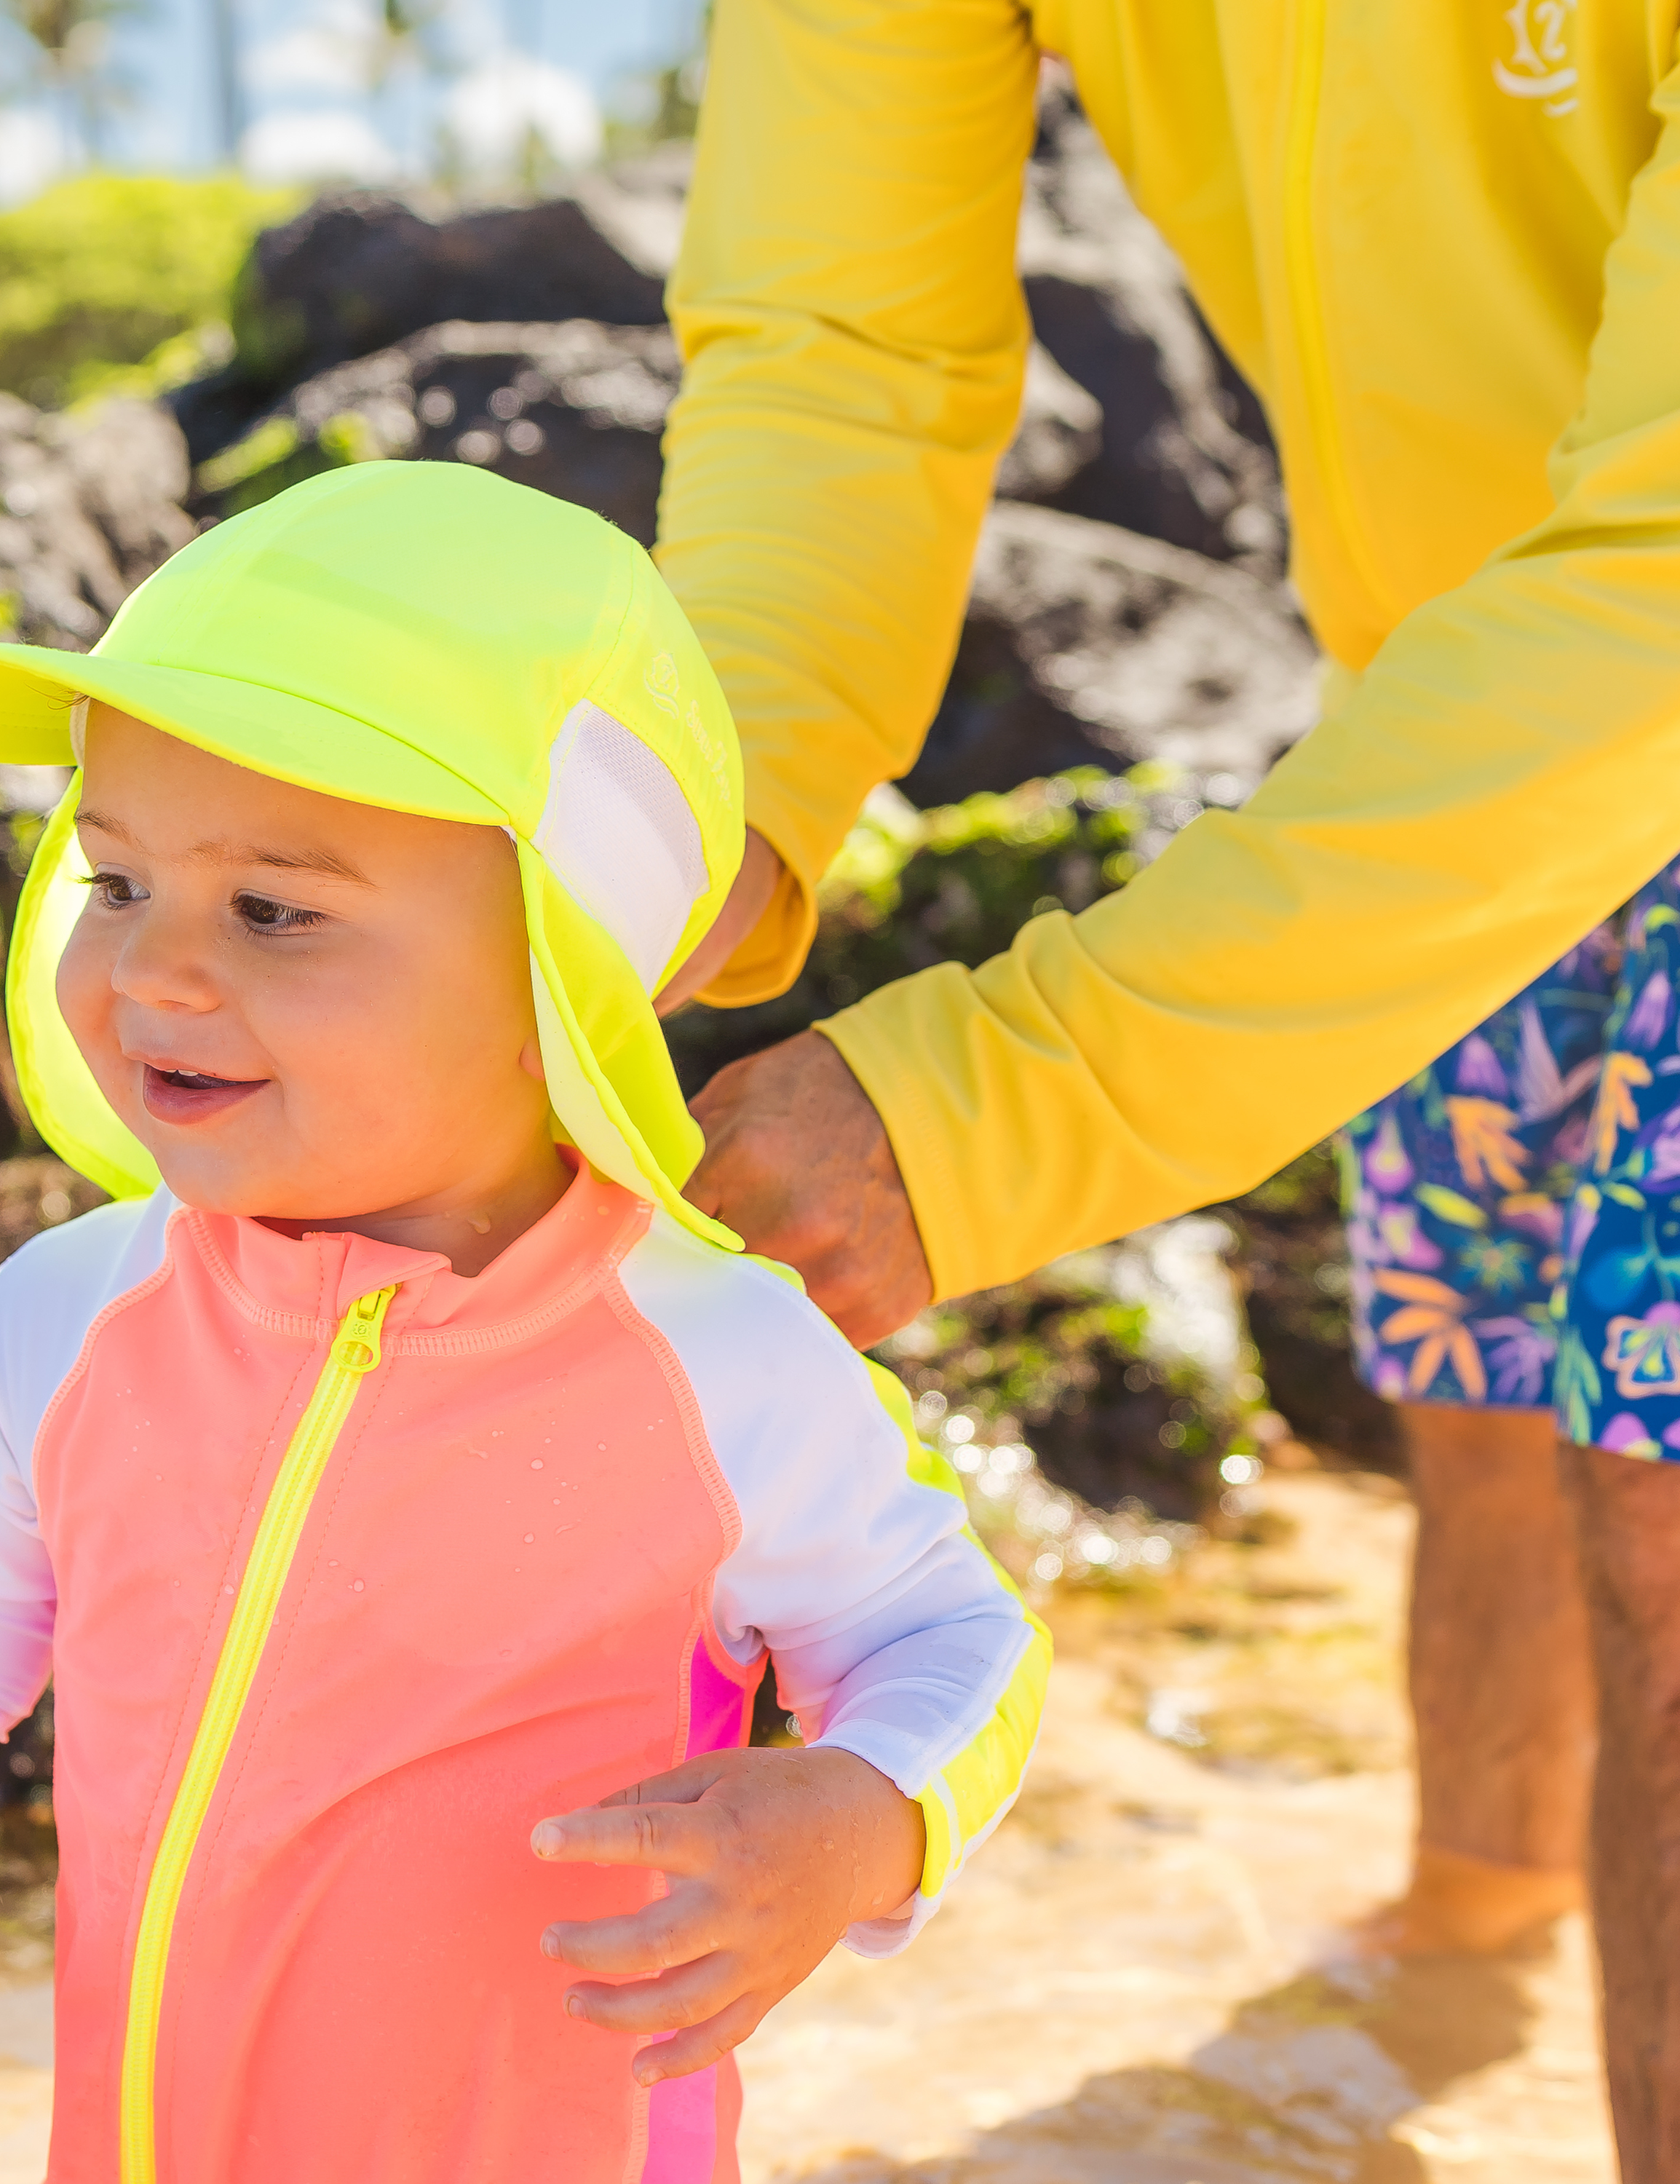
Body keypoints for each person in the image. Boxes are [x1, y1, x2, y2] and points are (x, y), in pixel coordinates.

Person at [0, 463, 1048, 2184]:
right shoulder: (73, 1321)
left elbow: (965, 1655)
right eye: (118, 878)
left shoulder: (714, 1365)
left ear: (556, 975)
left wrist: (865, 1819)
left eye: (275, 910)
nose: (149, 973)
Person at [645, 8, 1680, 2172]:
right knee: (1480, 1385)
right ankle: (1463, 1951)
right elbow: (844, 342)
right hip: (1448, 681)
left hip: (1637, 607)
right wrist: (678, 849)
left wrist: (999, 1101)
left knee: (1666, 1493)